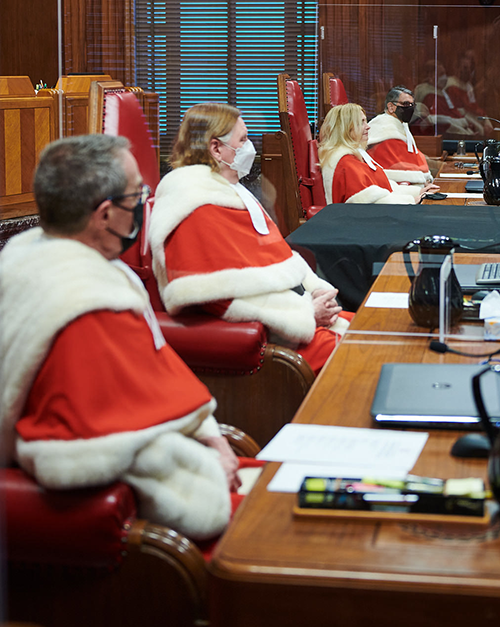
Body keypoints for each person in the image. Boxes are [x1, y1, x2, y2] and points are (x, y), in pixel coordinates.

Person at [0, 134, 242, 541]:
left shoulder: (26, 256)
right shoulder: (89, 305)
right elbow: (93, 449)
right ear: (107, 214)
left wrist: (209, 435)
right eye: (138, 194)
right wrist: (207, 468)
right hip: (124, 528)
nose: (144, 204)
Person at [149, 102, 352, 376]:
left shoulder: (232, 192)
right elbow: (213, 297)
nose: (250, 148)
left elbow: (275, 257)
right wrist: (306, 313)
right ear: (216, 148)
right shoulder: (192, 205)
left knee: (373, 325)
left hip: (294, 315)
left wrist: (316, 290)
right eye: (243, 140)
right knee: (368, 354)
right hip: (276, 337)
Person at [319, 102, 418, 205]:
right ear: (346, 128)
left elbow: (382, 187)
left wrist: (418, 193)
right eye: (361, 123)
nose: (368, 127)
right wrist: (411, 200)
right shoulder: (345, 163)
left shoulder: (357, 156)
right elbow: (368, 204)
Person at [366, 86, 438, 196]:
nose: (410, 108)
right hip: (391, 187)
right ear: (391, 107)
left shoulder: (401, 124)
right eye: (405, 104)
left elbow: (414, 155)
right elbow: (398, 166)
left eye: (412, 105)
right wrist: (424, 177)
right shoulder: (385, 128)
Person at [414, 61, 475, 136]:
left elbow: (452, 111)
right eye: (441, 74)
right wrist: (461, 122)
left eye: (445, 73)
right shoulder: (430, 96)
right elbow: (437, 120)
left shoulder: (441, 91)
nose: (445, 77)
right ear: (431, 76)